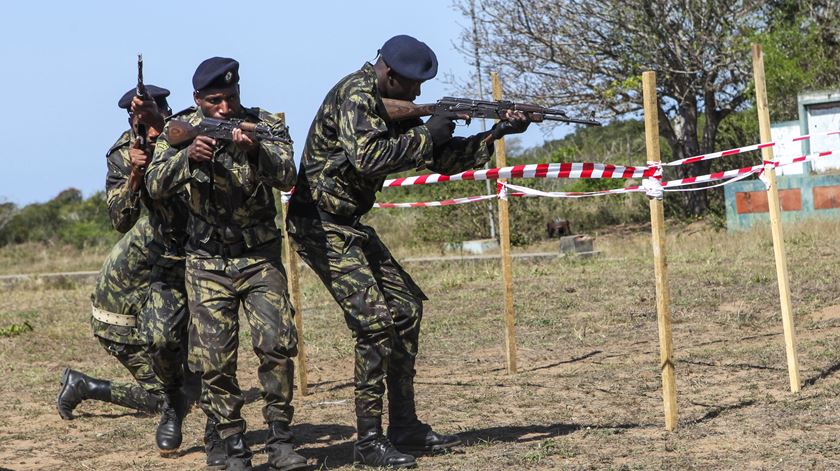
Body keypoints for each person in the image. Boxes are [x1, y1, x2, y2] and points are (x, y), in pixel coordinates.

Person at [286, 35, 530, 468]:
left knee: (405, 308)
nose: (419, 94)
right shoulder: (355, 95)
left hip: (349, 225)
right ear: (389, 75)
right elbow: (368, 158)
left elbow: (443, 160)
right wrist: (426, 134)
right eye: (414, 85)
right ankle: (368, 441)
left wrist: (495, 132)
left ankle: (404, 425)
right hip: (318, 224)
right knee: (375, 321)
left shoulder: (390, 101)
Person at [145, 57, 304, 471]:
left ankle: (281, 440)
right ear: (197, 99)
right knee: (214, 361)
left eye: (231, 98)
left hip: (259, 258)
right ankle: (232, 443)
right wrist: (188, 158)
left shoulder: (264, 124)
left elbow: (288, 176)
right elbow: (154, 184)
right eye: (214, 101)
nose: (225, 108)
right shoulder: (179, 129)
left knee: (276, 346)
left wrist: (256, 154)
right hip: (206, 262)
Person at [102, 85, 203, 459]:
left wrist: (169, 148)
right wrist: (134, 174)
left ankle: (223, 429)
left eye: (152, 114)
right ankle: (172, 403)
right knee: (160, 339)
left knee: (215, 344)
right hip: (169, 258)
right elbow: (120, 220)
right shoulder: (121, 154)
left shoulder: (190, 131)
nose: (145, 123)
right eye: (137, 117)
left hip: (213, 252)